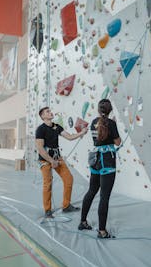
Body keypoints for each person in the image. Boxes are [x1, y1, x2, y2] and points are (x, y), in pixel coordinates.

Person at [78, 99, 121, 238]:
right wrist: (113, 126)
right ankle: (102, 231)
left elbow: (98, 139)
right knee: (104, 196)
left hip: (95, 160)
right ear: (110, 110)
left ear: (98, 110)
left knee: (91, 190)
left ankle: (82, 222)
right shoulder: (111, 123)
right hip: (107, 161)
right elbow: (117, 141)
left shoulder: (93, 122)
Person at [36, 107, 88, 218]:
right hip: (45, 159)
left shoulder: (56, 127)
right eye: (47, 112)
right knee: (47, 184)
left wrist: (82, 133)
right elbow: (40, 148)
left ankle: (66, 205)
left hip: (57, 157)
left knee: (69, 179)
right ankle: (47, 210)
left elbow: (69, 137)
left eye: (50, 111)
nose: (50, 112)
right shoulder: (40, 129)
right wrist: (51, 161)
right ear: (43, 116)